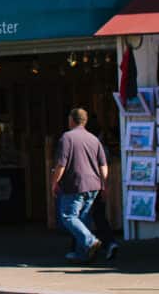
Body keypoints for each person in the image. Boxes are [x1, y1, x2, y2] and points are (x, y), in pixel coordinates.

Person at [51, 108, 108, 263]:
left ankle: (90, 241)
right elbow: (103, 165)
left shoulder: (67, 138)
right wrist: (104, 185)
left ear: (71, 120)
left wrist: (54, 182)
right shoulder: (94, 139)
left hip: (75, 184)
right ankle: (83, 254)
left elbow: (61, 164)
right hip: (94, 185)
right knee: (84, 219)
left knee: (68, 216)